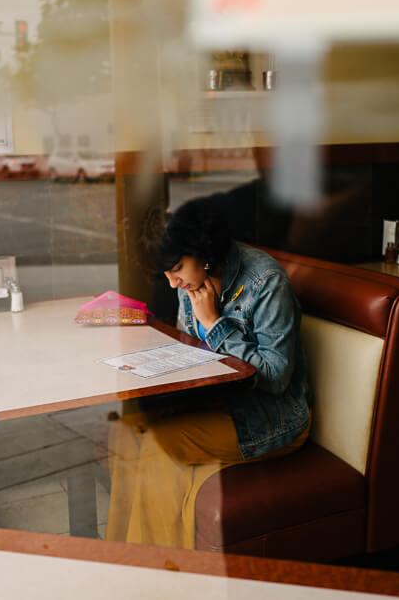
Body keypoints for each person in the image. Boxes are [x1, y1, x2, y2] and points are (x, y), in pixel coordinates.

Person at [106, 198, 311, 548]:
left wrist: (215, 325)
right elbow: (188, 348)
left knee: (158, 447)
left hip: (269, 416)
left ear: (202, 250)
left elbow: (276, 377)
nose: (173, 285)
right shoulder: (194, 280)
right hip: (214, 403)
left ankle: (155, 579)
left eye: (176, 270)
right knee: (124, 434)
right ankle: (121, 562)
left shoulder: (265, 282)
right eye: (166, 275)